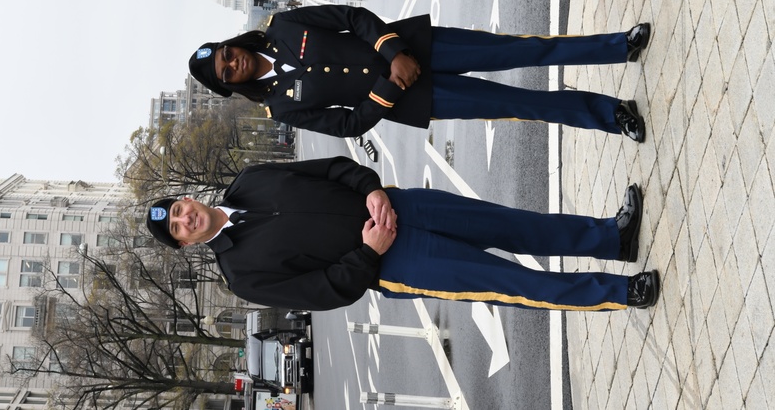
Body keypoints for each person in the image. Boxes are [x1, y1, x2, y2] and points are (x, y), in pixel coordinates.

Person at [144, 156, 661, 311]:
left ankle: (611, 239)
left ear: (186, 199)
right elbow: (324, 292)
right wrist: (368, 254)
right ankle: (622, 294)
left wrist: (369, 188)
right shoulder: (241, 275)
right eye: (178, 228)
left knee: (517, 224)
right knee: (516, 284)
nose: (185, 217)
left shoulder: (250, 180)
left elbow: (330, 169)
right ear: (187, 244)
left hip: (402, 205)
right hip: (396, 261)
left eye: (178, 208)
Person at [187, 4, 650, 141]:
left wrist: (392, 51)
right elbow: (347, 125)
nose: (233, 63)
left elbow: (350, 19)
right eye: (226, 72)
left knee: (522, 51)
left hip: (418, 47)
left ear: (231, 44)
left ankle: (616, 46)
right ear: (230, 86)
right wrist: (388, 88)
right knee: (516, 104)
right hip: (413, 99)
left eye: (227, 54)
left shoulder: (282, 25)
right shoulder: (280, 106)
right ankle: (613, 116)